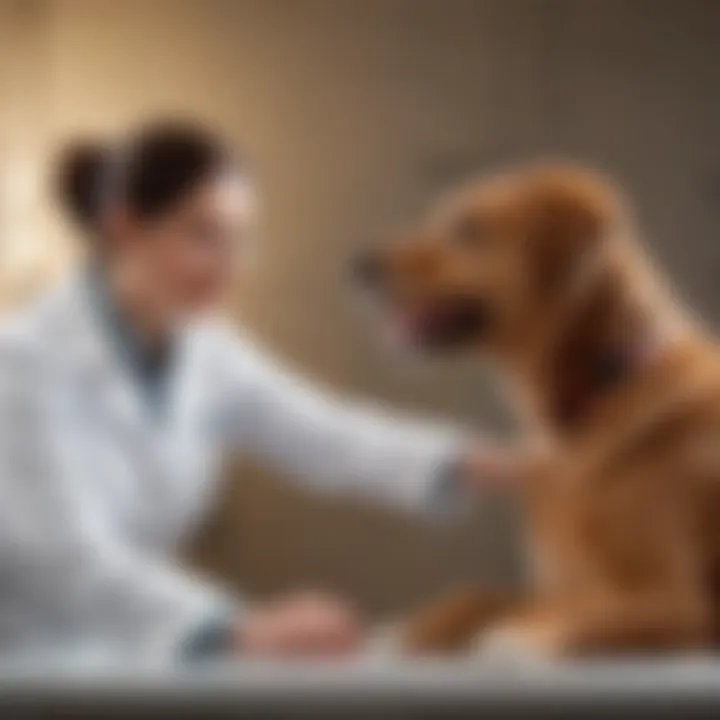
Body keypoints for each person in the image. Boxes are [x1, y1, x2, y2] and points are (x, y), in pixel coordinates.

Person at [0, 119, 515, 663]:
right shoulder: (21, 360)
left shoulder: (204, 350)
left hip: (127, 656)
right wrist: (234, 627)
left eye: (239, 241)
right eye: (205, 236)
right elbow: (60, 559)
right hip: (24, 662)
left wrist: (478, 462)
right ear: (125, 227)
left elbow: (326, 435)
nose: (229, 268)